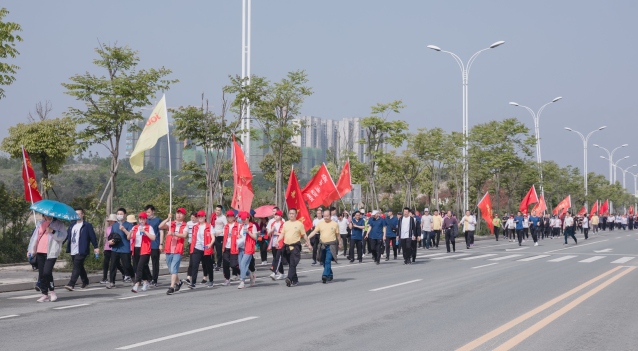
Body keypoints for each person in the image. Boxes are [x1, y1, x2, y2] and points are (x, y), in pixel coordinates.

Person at [28, 215, 67, 302]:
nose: (47, 216)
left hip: (51, 252)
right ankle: (44, 294)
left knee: (47, 272)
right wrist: (30, 250)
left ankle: (52, 292)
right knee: (41, 274)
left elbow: (63, 236)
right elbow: (34, 238)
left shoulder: (59, 224)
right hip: (40, 251)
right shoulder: (40, 223)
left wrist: (53, 231)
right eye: (45, 214)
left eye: (49, 214)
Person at [64, 208, 99, 291]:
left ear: (83, 214)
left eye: (79, 214)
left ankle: (71, 284)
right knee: (79, 266)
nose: (77, 216)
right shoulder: (72, 225)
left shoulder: (87, 225)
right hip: (73, 249)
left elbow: (92, 237)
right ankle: (85, 281)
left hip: (82, 249)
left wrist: (96, 247)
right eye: (76, 214)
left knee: (76, 265)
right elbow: (66, 236)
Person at [160, 208, 189, 294]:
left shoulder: (185, 225)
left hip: (178, 250)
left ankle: (171, 287)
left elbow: (184, 235)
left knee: (174, 269)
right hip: (169, 249)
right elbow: (160, 226)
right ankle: (178, 282)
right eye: (177, 213)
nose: (179, 215)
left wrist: (173, 233)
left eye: (181, 214)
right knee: (171, 270)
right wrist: (168, 219)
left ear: (184, 216)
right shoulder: (171, 223)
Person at [307, 209, 341, 283]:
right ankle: (330, 274)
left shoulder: (335, 224)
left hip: (331, 245)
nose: (326, 217)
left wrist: (340, 243)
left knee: (328, 260)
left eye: (327, 216)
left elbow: (338, 235)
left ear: (330, 216)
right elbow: (314, 231)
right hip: (322, 245)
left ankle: (325, 275)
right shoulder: (320, 223)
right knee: (323, 260)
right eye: (324, 216)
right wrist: (308, 237)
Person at [281, 208, 310, 287]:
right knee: (291, 264)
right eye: (290, 213)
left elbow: (304, 235)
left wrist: (309, 243)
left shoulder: (299, 224)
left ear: (296, 215)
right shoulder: (285, 223)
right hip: (287, 246)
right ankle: (295, 279)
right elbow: (282, 234)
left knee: (293, 263)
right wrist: (277, 241)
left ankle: (289, 278)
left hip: (295, 246)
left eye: (293, 213)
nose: (291, 215)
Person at [107, 209, 134, 289]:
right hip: (115, 248)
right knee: (113, 265)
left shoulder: (129, 225)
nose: (119, 215)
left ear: (125, 215)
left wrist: (123, 229)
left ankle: (133, 278)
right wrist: (110, 241)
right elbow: (111, 235)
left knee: (127, 265)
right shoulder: (114, 225)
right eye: (118, 214)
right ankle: (112, 282)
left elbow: (130, 236)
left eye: (121, 214)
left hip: (125, 248)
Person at [130, 212, 156, 293]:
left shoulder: (149, 227)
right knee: (141, 266)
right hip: (136, 248)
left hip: (145, 249)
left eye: (143, 219)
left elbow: (153, 238)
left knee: (140, 267)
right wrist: (128, 231)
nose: (141, 220)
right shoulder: (135, 227)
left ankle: (136, 284)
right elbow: (129, 237)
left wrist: (145, 232)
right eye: (140, 219)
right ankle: (145, 281)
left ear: (146, 219)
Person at [234, 211, 258, 289]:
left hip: (249, 248)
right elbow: (241, 235)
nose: (243, 220)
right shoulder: (241, 226)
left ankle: (242, 281)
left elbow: (255, 237)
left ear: (248, 218)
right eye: (242, 219)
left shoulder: (252, 226)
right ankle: (250, 275)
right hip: (241, 247)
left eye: (244, 219)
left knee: (243, 264)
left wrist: (248, 232)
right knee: (241, 266)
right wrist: (239, 236)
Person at [101, 214, 125, 284]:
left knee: (116, 263)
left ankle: (124, 273)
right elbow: (106, 238)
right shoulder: (108, 228)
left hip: (115, 248)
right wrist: (104, 247)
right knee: (106, 263)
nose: (111, 222)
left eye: (112, 220)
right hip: (107, 247)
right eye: (110, 221)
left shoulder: (118, 227)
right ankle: (104, 278)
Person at [144, 205, 163, 287]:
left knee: (155, 263)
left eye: (149, 212)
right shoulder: (145, 221)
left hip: (155, 244)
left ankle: (154, 280)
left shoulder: (158, 220)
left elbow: (161, 232)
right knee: (144, 262)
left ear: (153, 211)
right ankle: (149, 277)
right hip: (145, 245)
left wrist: (161, 244)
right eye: (146, 212)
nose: (147, 214)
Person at [221, 211, 241, 285]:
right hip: (226, 247)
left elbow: (241, 234)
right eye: (228, 217)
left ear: (234, 217)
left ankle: (241, 273)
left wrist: (240, 236)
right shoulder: (226, 226)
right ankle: (227, 279)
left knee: (233, 265)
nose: (229, 218)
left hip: (234, 247)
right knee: (225, 264)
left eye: (231, 217)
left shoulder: (238, 226)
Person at [268, 210, 287, 280]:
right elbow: (268, 234)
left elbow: (285, 234)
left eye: (277, 215)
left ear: (280, 216)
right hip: (273, 243)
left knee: (278, 258)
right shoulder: (273, 223)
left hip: (280, 243)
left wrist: (277, 234)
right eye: (275, 215)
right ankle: (282, 273)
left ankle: (274, 273)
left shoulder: (283, 224)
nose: (276, 216)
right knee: (276, 258)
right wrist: (271, 231)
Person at [213, 205, 227, 270]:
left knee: (219, 251)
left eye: (218, 210)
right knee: (210, 249)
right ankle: (213, 263)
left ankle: (218, 264)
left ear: (221, 211)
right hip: (213, 235)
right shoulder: (213, 216)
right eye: (216, 210)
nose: (217, 211)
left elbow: (226, 227)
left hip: (220, 236)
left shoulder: (223, 218)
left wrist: (221, 231)